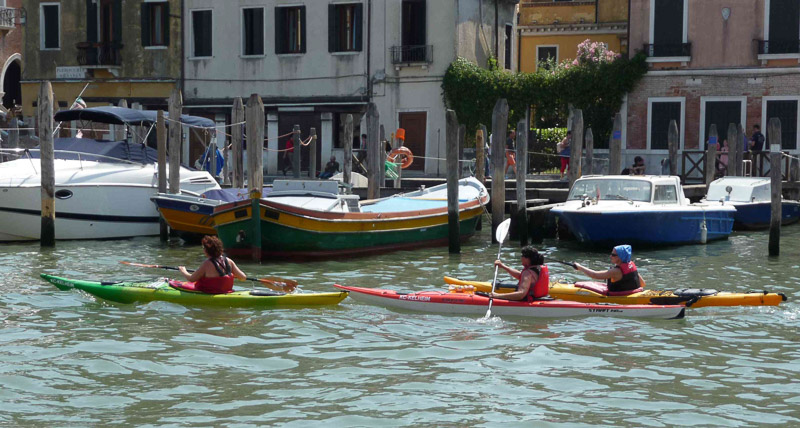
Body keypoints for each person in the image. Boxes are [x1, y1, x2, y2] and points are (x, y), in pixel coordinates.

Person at [178, 236, 247, 294]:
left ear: (206, 250)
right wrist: (232, 275)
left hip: (211, 294)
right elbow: (243, 278)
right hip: (226, 292)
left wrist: (183, 271)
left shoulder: (207, 264)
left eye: (204, 248)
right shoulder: (229, 261)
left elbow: (191, 279)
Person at [572, 244, 645, 293]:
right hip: (632, 294)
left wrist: (580, 267)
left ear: (620, 257)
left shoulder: (616, 271)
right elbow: (642, 283)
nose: (610, 256)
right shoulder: (631, 265)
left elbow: (594, 275)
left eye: (613, 255)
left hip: (619, 298)